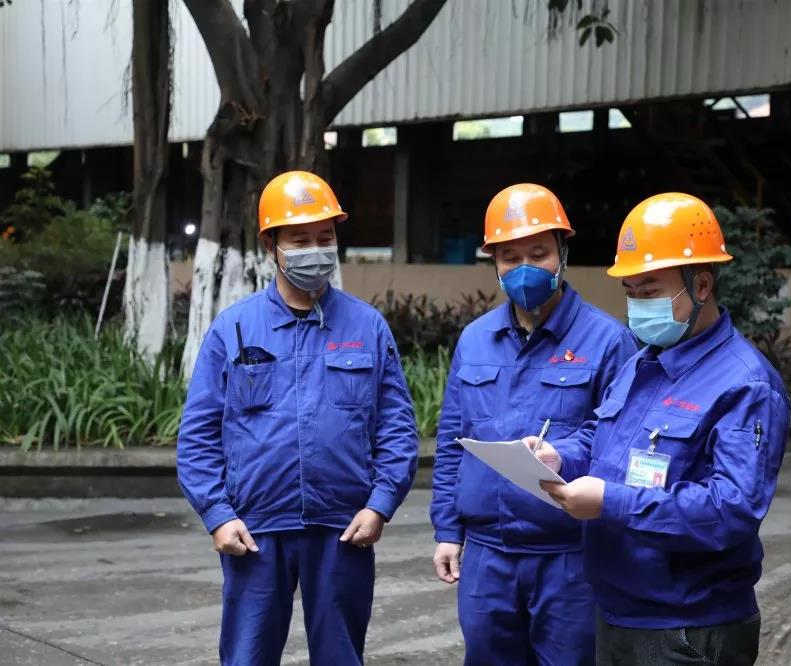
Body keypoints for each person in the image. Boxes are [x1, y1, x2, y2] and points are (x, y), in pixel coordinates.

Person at [529, 193, 790, 666]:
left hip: (688, 625)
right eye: (630, 292)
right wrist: (559, 456)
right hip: (618, 611)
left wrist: (610, 502)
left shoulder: (745, 384)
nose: (636, 306)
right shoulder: (641, 363)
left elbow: (731, 509)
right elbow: (601, 439)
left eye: (649, 292)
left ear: (702, 284)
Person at [177, 170, 418, 666]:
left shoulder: (367, 326)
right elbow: (198, 434)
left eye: (325, 238)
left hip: (343, 527)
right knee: (247, 657)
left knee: (340, 656)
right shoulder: (234, 328)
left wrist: (380, 504)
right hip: (254, 529)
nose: (316, 250)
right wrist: (217, 514)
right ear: (271, 245)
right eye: (300, 240)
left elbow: (396, 428)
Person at [430, 183, 637, 665]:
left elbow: (618, 441)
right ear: (494, 264)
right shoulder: (475, 340)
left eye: (539, 253)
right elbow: (452, 442)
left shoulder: (607, 341)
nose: (525, 268)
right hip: (487, 556)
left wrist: (563, 454)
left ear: (563, 253)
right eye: (510, 257)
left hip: (568, 558)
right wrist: (447, 530)